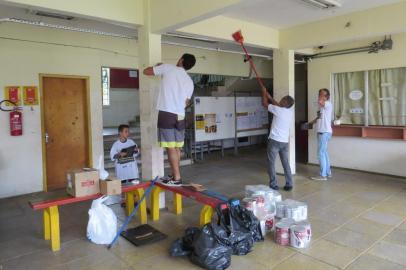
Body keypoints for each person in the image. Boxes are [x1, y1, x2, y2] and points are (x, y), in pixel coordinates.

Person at [143, 53, 196, 186]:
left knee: (170, 147)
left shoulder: (168, 68)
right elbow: (187, 102)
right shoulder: (189, 81)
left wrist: (158, 67)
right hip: (180, 115)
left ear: (181, 60)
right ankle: (175, 175)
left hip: (167, 113)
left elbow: (146, 71)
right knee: (177, 147)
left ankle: (176, 178)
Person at [261, 86, 295, 191]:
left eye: (283, 99)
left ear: (285, 103)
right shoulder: (289, 112)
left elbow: (264, 104)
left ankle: (273, 184)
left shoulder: (278, 110)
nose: (281, 99)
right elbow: (278, 106)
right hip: (284, 142)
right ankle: (289, 184)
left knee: (271, 162)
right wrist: (270, 97)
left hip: (274, 141)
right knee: (285, 162)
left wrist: (263, 93)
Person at [309, 88, 333, 181]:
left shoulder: (327, 103)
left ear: (327, 96)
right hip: (322, 132)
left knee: (321, 153)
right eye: (319, 94)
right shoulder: (321, 106)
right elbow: (319, 117)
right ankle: (328, 172)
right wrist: (311, 122)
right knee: (324, 153)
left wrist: (321, 98)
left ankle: (322, 175)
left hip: (324, 132)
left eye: (322, 94)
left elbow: (320, 101)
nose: (320, 96)